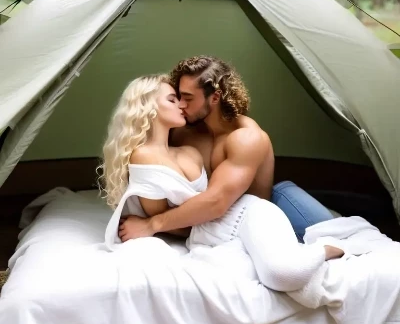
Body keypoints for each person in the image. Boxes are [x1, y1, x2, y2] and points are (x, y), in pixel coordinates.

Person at [100, 74, 343, 293]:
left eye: (184, 98)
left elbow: (183, 214)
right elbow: (168, 218)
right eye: (173, 99)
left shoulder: (191, 152)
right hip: (223, 227)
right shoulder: (145, 155)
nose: (182, 105)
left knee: (282, 276)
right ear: (148, 107)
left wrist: (150, 225)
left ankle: (331, 247)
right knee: (254, 276)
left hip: (248, 211)